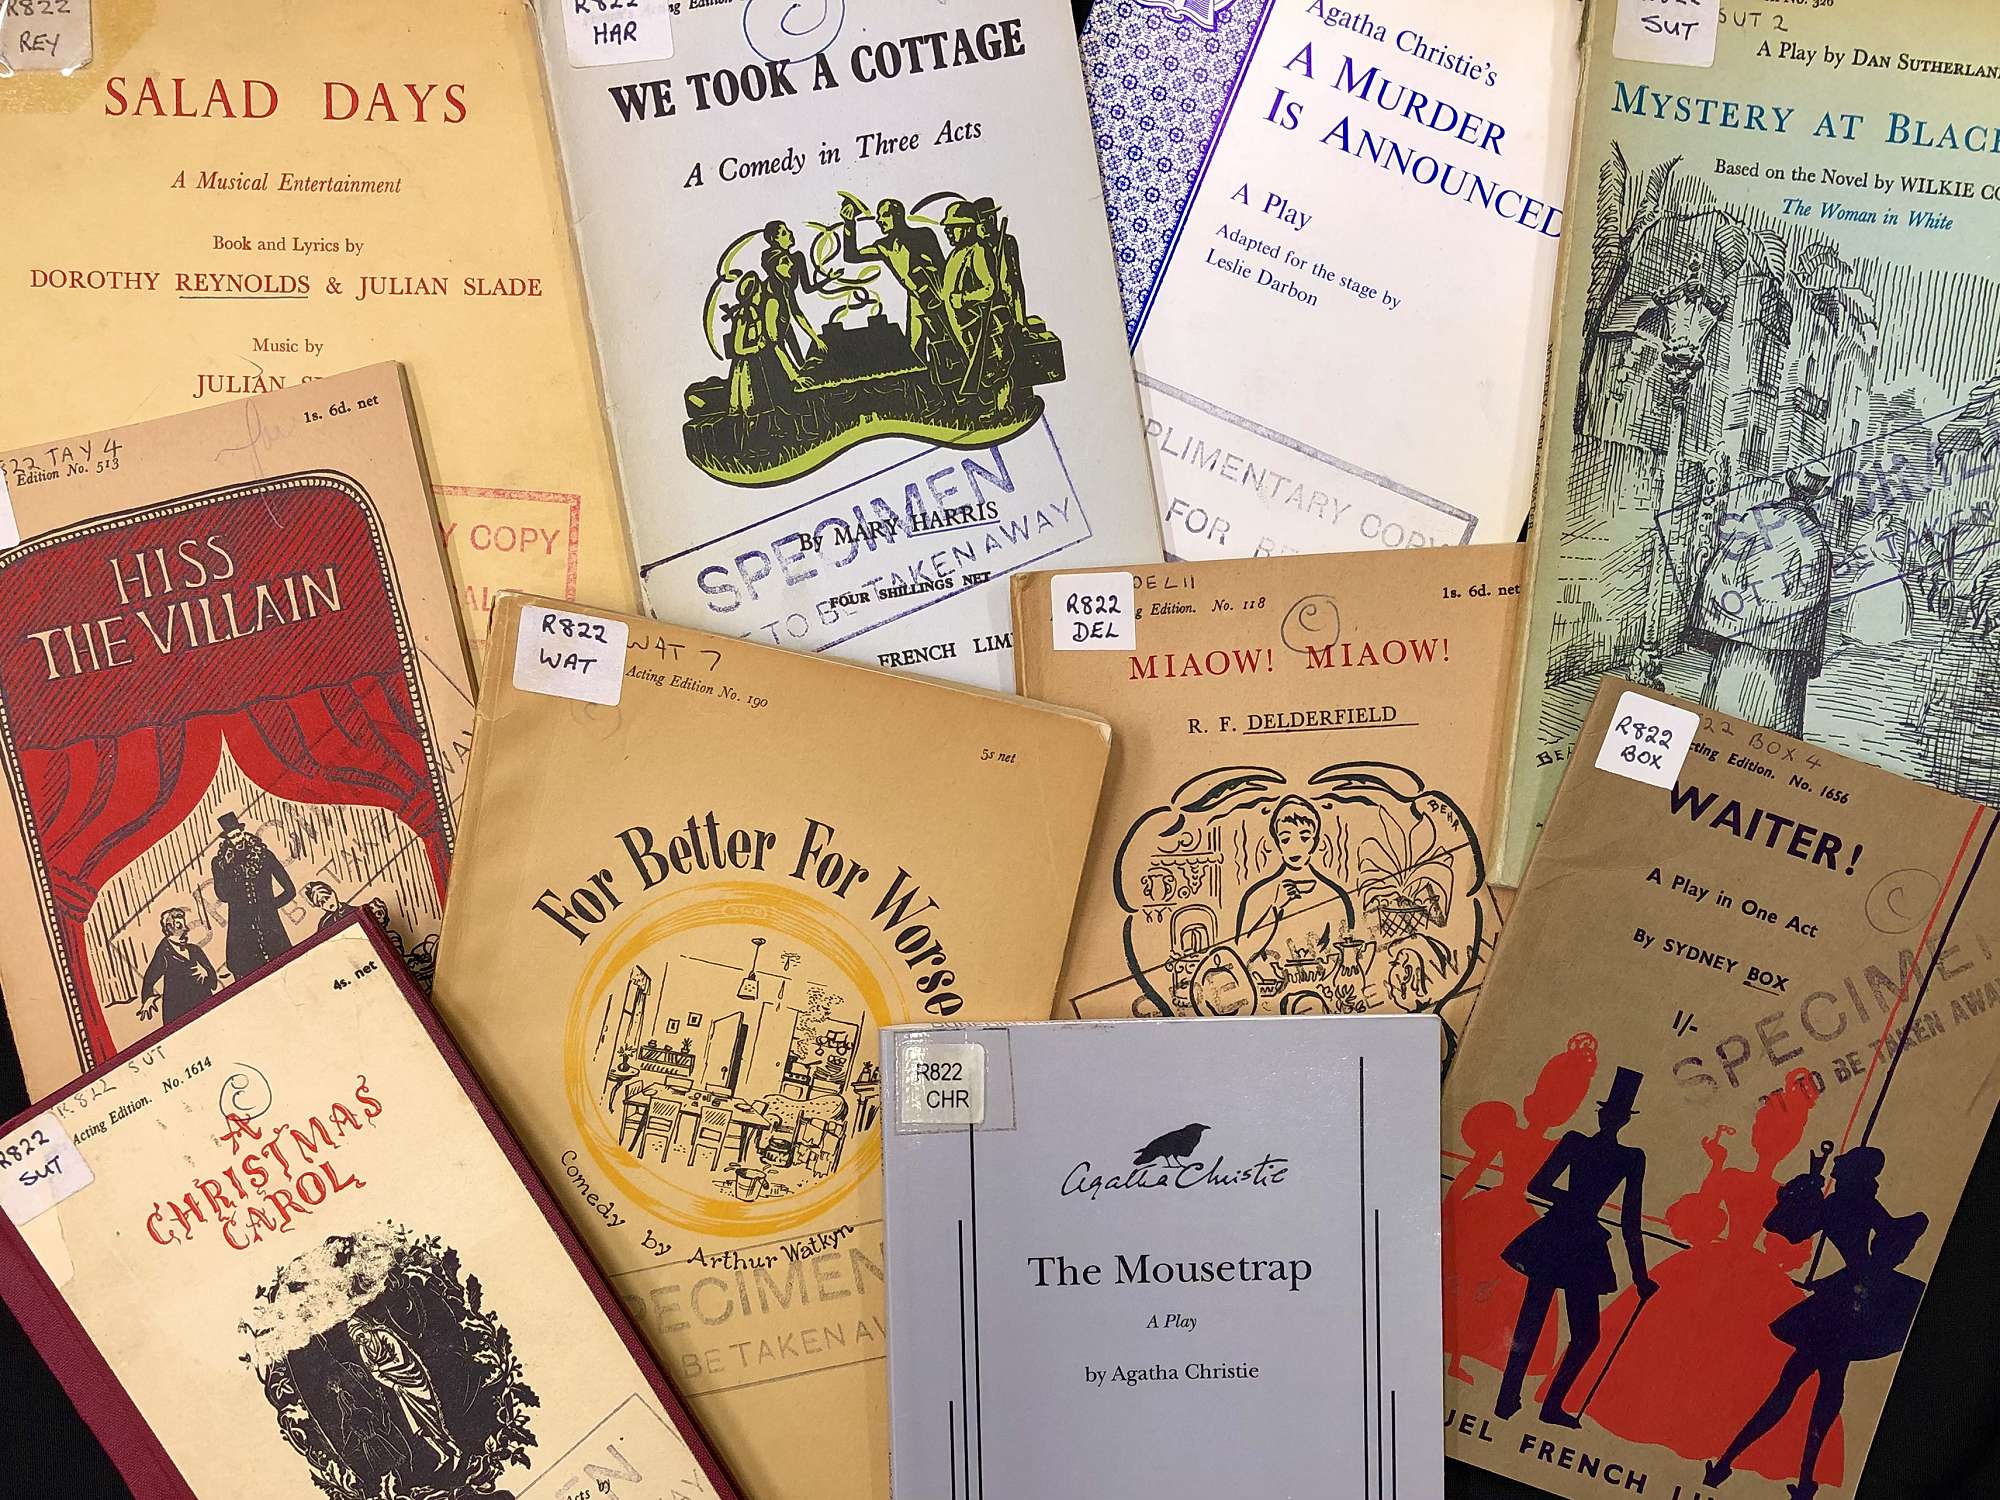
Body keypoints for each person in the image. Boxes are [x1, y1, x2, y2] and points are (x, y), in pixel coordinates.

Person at [1550, 1070, 1840, 1480]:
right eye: (1763, 1126)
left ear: (1792, 1141)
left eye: (1780, 1132)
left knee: (1736, 1362)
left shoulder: (1787, 1189)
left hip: (1753, 1281)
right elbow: (1696, 1220)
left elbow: (1793, 1244)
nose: (1767, 1137)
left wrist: (1811, 1200)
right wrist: (1715, 1167)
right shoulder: (1733, 1176)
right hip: (1709, 1266)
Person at [1705, 1145, 1928, 1500]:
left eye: (1843, 1165)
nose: (1837, 1168)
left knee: (1801, 1387)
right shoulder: (1847, 1204)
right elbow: (1789, 1229)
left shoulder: (1847, 1204)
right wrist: (1812, 1180)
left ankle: (1734, 1466)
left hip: (1845, 1304)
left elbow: (1795, 1229)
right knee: (1816, 1386)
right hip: (1845, 1303)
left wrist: (1812, 1183)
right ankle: (1787, 1478)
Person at [1494, 1065, 1658, 1425]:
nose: (1608, 1119)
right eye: (1607, 1112)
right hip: (1564, 1237)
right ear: (1604, 1115)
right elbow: (1537, 1185)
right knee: (1537, 1323)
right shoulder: (1579, 1142)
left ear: (1620, 1119)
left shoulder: (1630, 1157)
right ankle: (1511, 1400)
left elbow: (1630, 1220)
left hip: (1573, 1240)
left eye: (1613, 1114)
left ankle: (1542, 1405)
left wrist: (1640, 1276)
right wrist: (1575, 1203)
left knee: (1580, 1334)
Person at [1442, 1033, 1600, 1383]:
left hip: (1520, 1222)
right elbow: (1473, 1170)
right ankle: (1449, 1355)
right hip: (1487, 1213)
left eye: (1568, 1101)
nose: (1557, 1106)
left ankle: (1464, 1357)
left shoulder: (1559, 1147)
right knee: (1463, 1277)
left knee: (1497, 1291)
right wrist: (1446, 1210)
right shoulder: (1509, 1132)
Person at [1686, 460, 1835, 735]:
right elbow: (1814, 603)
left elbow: (1719, 573)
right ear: (1816, 497)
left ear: (1790, 485)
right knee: (1771, 734)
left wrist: (1727, 617)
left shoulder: (1756, 518)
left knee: (1719, 721)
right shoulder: (1816, 540)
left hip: (1739, 638)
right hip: (1783, 651)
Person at [1233, 796, 1355, 967]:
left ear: (1315, 842)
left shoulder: (1333, 895)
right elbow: (1242, 953)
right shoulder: (1257, 895)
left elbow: (1343, 949)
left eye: (1304, 837)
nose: (1294, 847)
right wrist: (1275, 908)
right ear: (1277, 843)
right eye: (1286, 839)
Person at [840, 195, 947, 357]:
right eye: (878, 216)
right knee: (914, 349)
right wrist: (849, 223)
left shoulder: (924, 235)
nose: (879, 220)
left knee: (945, 343)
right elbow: (851, 256)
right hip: (915, 301)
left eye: (884, 215)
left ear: (897, 215)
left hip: (938, 296)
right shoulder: (883, 246)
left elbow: (943, 267)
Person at [211, 813, 295, 981]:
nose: (238, 839)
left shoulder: (264, 855)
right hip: (240, 929)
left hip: (270, 924)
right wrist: (227, 868)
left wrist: (270, 906)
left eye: (238, 834)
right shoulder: (219, 863)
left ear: (243, 832)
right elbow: (222, 896)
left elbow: (289, 890)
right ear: (227, 840)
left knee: (286, 971)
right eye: (232, 837)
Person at [758, 220, 826, 367]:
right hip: (770, 315)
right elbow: (795, 314)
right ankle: (797, 368)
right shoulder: (773, 287)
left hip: (784, 306)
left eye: (788, 230)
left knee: (786, 327)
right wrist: (815, 339)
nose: (790, 233)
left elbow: (806, 290)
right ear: (774, 240)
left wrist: (827, 280)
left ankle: (800, 365)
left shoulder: (795, 261)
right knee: (780, 337)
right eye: (784, 233)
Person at [136, 907, 218, 1024]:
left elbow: (213, 980)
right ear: (168, 928)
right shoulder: (164, 952)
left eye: (184, 925)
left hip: (205, 1005)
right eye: (179, 925)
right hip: (179, 1012)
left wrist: (206, 974)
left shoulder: (195, 950)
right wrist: (148, 998)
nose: (185, 929)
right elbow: (149, 979)